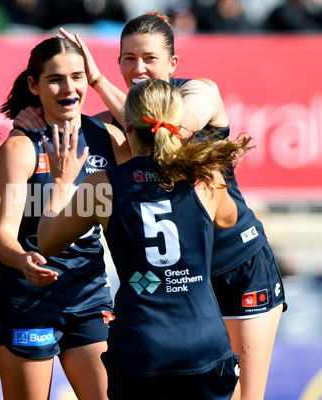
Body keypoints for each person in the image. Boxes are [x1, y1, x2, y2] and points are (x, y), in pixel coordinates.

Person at [19, 12, 287, 400]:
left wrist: (97, 82)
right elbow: (91, 127)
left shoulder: (199, 91)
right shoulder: (113, 124)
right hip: (185, 283)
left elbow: (169, 130)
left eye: (149, 58)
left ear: (173, 63)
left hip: (237, 262)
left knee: (248, 396)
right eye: (128, 58)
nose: (138, 67)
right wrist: (37, 122)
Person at [38, 78, 251, 399]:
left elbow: (47, 241)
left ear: (127, 124)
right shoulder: (205, 178)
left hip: (141, 346)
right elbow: (229, 218)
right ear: (178, 123)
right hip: (205, 345)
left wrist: (60, 181)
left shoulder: (102, 185)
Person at [0, 35, 128, 400]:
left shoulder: (108, 139)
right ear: (34, 86)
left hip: (90, 298)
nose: (69, 88)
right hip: (27, 300)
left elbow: (156, 127)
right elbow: (2, 236)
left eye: (78, 76)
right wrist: (23, 260)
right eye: (55, 79)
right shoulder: (20, 148)